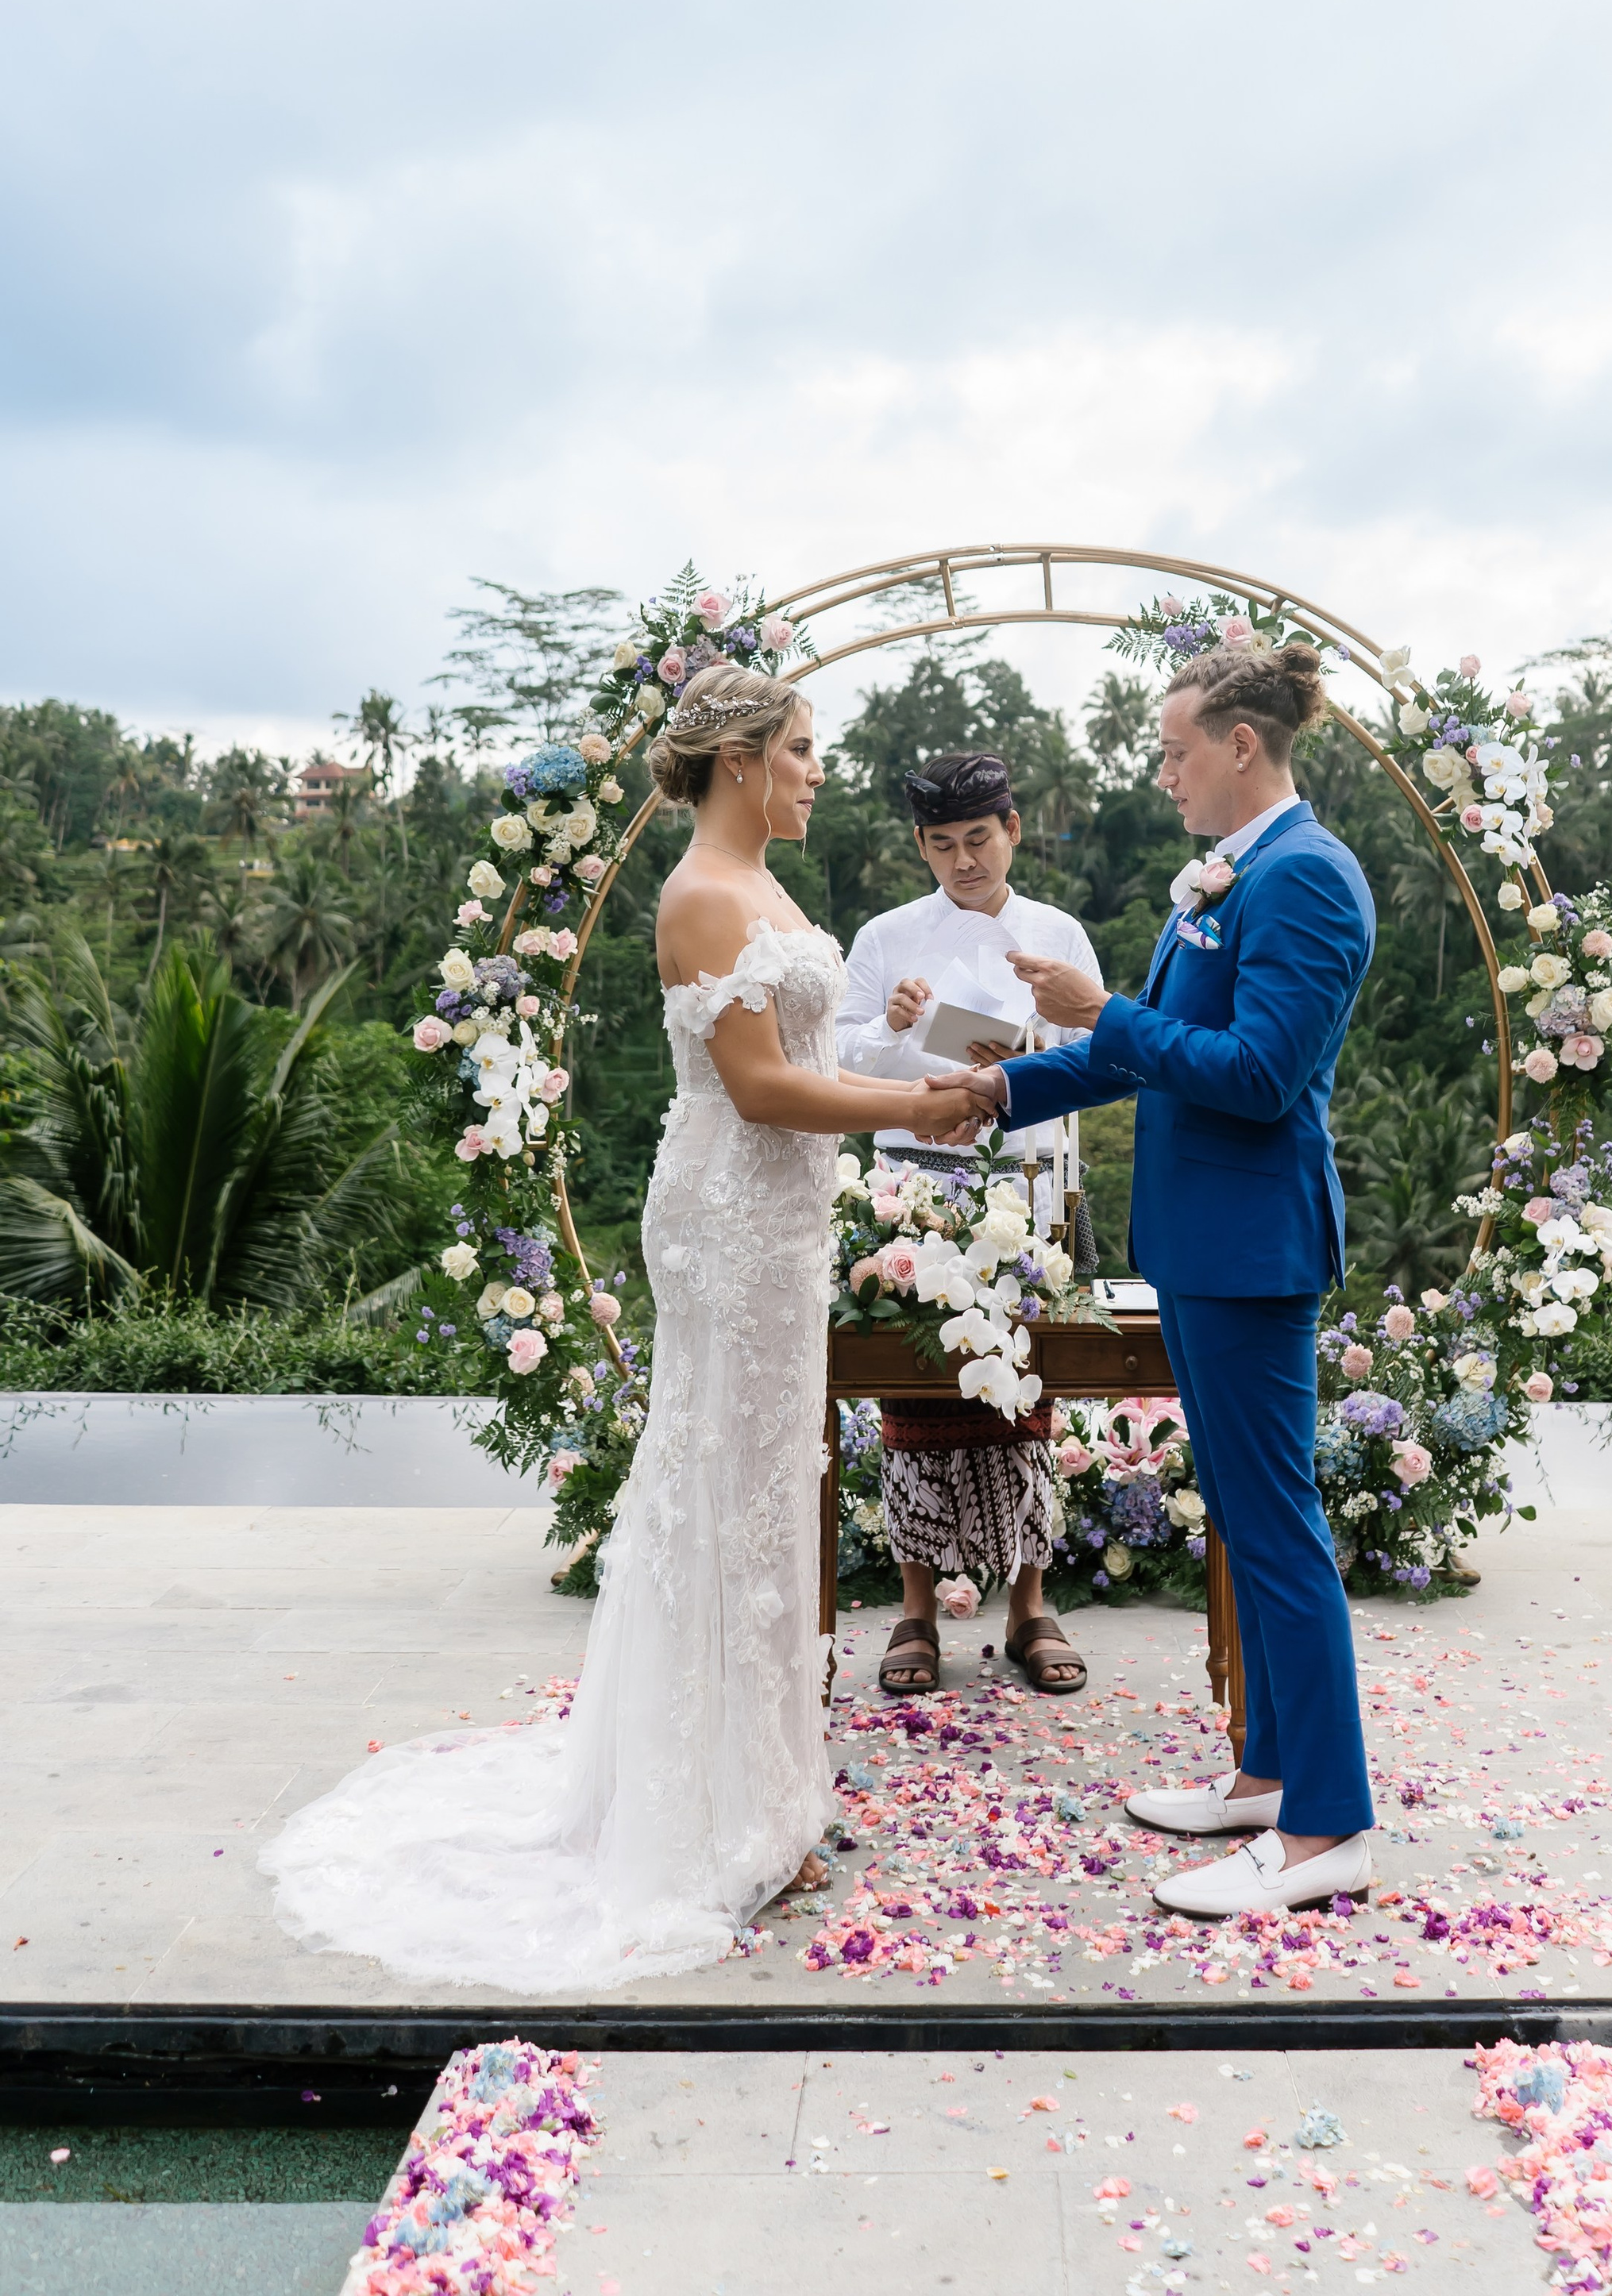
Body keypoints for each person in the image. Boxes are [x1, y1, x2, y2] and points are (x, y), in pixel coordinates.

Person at [262, 665, 980, 1991]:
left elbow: (815, 1059)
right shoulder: (703, 894)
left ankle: (765, 1794)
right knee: (726, 1496)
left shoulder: (765, 885)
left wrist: (920, 1075)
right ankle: (708, 1814)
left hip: (782, 1226)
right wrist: (915, 1113)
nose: (819, 772)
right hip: (727, 1222)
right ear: (739, 760)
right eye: (802, 749)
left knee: (772, 1491)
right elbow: (760, 1088)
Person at [929, 639, 1379, 1920]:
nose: (1165, 774)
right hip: (1199, 1243)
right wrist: (1000, 1087)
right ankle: (1268, 1778)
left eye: (1176, 752)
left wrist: (1101, 1009)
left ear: (1241, 745)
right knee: (1244, 1513)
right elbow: (1148, 1057)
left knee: (1277, 1529)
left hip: (1252, 1249)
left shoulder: (1306, 875)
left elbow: (1259, 1074)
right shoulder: (1232, 871)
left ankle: (1329, 1825)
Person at [835, 749, 1101, 1700]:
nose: (964, 861)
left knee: (1027, 1394)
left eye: (979, 839)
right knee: (911, 1390)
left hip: (1030, 1187)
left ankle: (1030, 1605)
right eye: (943, 844)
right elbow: (836, 1057)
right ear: (920, 845)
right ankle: (915, 1607)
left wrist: (997, 1059)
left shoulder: (1058, 932)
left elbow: (1099, 1052)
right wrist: (896, 1026)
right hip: (913, 1189)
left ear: (1012, 830)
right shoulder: (885, 936)